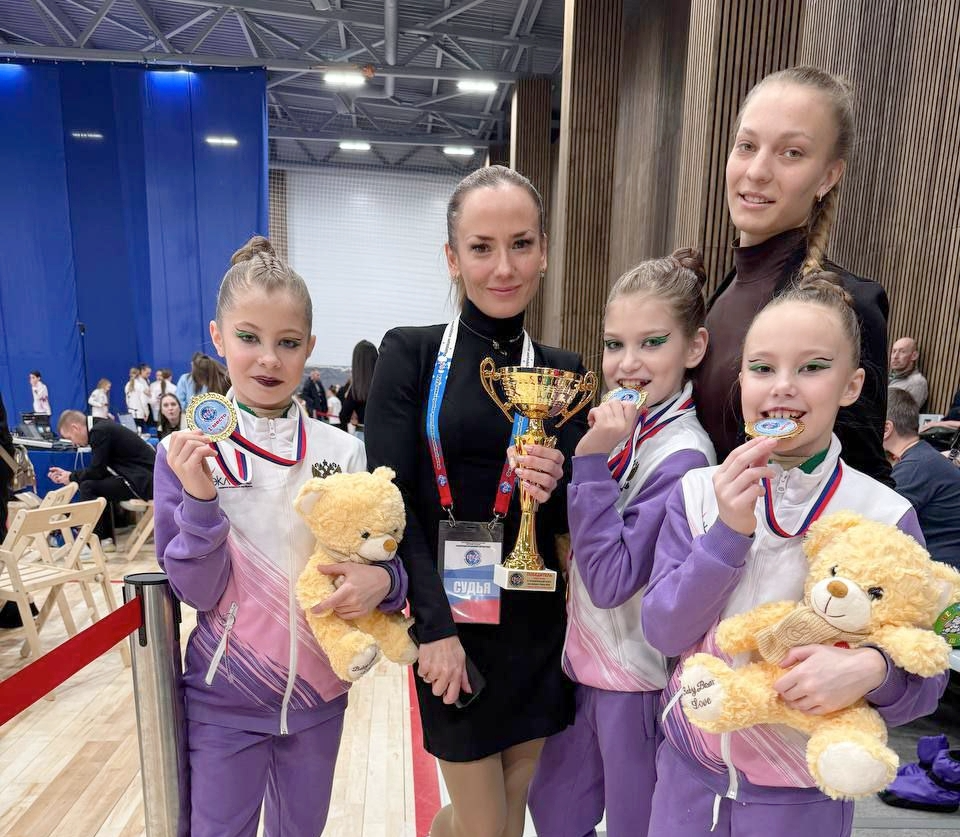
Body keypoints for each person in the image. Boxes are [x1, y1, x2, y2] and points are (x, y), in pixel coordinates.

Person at [642, 275, 947, 837]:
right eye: (762, 368)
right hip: (688, 775)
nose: (782, 387)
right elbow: (664, 632)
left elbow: (927, 681)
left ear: (851, 386)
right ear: (741, 379)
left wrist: (872, 669)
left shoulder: (884, 513)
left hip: (802, 796)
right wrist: (727, 534)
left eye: (812, 368)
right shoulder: (698, 492)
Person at [153, 235, 408, 837]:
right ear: (218, 338)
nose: (268, 359)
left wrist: (386, 581)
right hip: (225, 699)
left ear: (309, 348)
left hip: (321, 697)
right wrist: (200, 500)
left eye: (288, 343)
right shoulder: (185, 454)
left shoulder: (343, 450)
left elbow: (382, 553)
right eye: (249, 338)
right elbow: (196, 591)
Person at [365, 165, 587, 837]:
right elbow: (393, 500)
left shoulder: (564, 374)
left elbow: (566, 521)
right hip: (451, 618)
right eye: (482, 247)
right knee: (488, 827)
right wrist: (432, 628)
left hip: (534, 624)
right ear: (453, 257)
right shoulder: (410, 354)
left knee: (502, 820)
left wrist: (559, 481)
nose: (503, 267)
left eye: (521, 244)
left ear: (544, 251)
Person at [527, 251, 715, 837]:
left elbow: (611, 581)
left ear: (694, 347)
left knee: (635, 824)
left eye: (652, 343)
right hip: (586, 663)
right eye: (614, 345)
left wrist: (586, 462)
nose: (627, 364)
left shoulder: (684, 455)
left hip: (638, 678)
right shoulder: (628, 429)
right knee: (553, 811)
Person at [695, 66, 892, 485]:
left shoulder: (845, 304)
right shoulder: (722, 294)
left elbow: (866, 477)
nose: (757, 171)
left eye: (792, 153)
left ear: (828, 176)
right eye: (747, 146)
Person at [52, 409, 156, 545]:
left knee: (88, 487)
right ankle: (104, 540)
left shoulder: (99, 431)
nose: (73, 443)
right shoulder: (101, 426)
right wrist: (71, 476)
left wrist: (71, 477)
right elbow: (101, 471)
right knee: (93, 485)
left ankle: (91, 542)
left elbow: (97, 471)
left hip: (145, 482)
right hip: (144, 478)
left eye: (70, 438)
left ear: (75, 428)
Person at [884, 388, 960, 569]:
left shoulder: (916, 466)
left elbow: (879, 521)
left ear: (886, 429)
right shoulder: (922, 457)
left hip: (941, 573)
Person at [339, 340, 377, 436]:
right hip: (384, 435)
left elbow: (343, 416)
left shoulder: (357, 389)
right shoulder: (385, 384)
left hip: (363, 433)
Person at [888, 337, 928, 408]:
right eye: (894, 351)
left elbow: (904, 413)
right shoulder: (889, 378)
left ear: (914, 356)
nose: (895, 356)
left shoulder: (917, 383)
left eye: (902, 352)